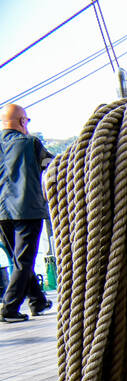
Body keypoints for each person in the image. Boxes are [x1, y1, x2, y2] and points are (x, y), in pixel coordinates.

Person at [0, 103, 53, 323]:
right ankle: (9, 309)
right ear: (22, 121)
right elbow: (52, 166)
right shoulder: (31, 143)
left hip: (2, 213)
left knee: (19, 259)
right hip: (27, 210)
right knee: (24, 261)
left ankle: (37, 300)